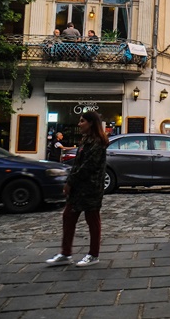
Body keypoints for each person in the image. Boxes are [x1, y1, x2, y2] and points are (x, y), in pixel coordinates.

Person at [46, 111, 109, 267]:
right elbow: (78, 164)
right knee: (68, 217)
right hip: (79, 187)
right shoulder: (86, 140)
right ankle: (65, 253)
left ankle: (93, 255)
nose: (79, 124)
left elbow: (87, 166)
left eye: (82, 121)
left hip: (90, 188)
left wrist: (70, 182)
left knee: (92, 219)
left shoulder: (97, 142)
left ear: (91, 123)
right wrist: (71, 181)